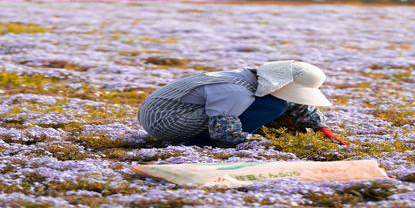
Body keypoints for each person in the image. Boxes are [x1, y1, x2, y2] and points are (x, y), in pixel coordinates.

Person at [137, 60, 346, 147]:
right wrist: (263, 144)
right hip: (167, 122)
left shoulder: (252, 77)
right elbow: (224, 134)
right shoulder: (235, 91)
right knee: (274, 106)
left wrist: (321, 126)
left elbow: (294, 100)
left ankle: (247, 130)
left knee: (278, 103)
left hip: (176, 112)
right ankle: (198, 143)